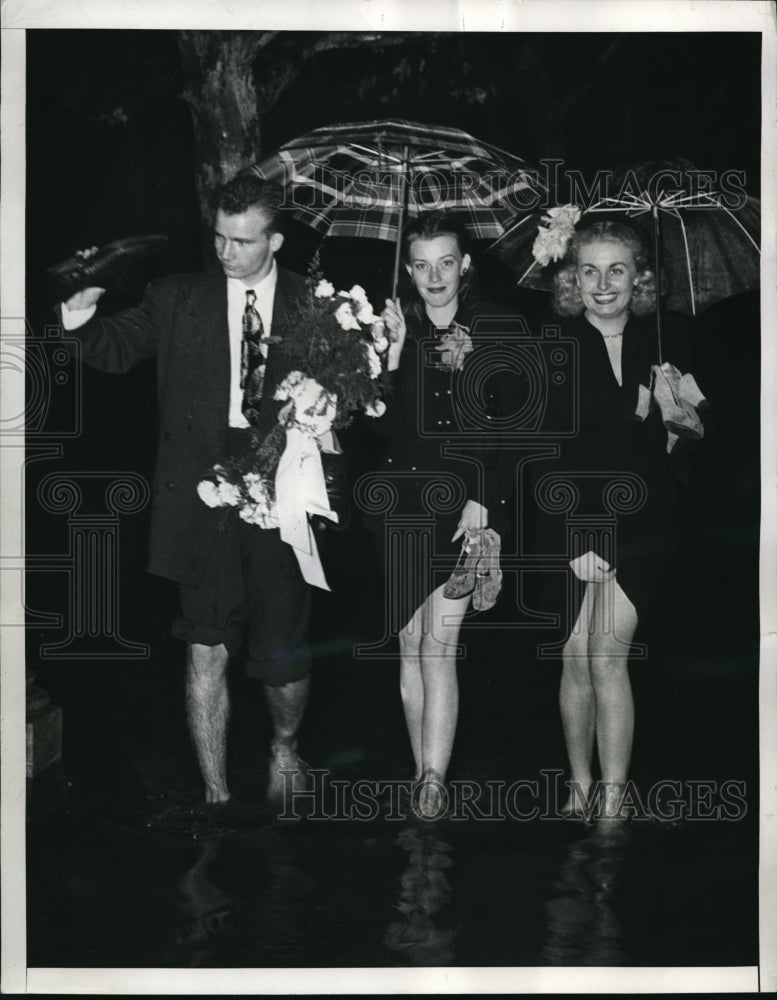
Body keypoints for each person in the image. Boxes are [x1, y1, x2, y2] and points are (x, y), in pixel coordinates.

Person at [59, 174, 312, 807]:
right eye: (219, 238)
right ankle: (216, 797)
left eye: (243, 241)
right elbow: (110, 349)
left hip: (284, 492)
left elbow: (357, 405)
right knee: (205, 647)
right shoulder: (176, 297)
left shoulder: (317, 307)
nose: (227, 253)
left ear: (274, 241)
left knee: (281, 660)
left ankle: (284, 743)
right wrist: (81, 306)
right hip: (199, 490)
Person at [534, 218, 695, 821]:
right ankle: (579, 783)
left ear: (640, 277)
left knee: (606, 652)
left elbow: (693, 442)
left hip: (645, 522)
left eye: (618, 270)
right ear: (573, 279)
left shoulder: (668, 338)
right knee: (576, 655)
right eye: (589, 271)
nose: (603, 284)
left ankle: (615, 798)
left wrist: (681, 419)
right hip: (573, 521)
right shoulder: (552, 345)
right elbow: (543, 455)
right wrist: (573, 538)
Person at [368, 212, 520, 817]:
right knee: (410, 641)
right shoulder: (394, 327)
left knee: (441, 642)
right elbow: (379, 427)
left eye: (446, 262)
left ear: (466, 265)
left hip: (468, 503)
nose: (434, 276)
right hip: (403, 501)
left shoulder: (497, 328)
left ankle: (434, 780)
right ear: (408, 269)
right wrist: (390, 358)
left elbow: (517, 429)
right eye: (422, 264)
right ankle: (420, 769)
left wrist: (484, 499)